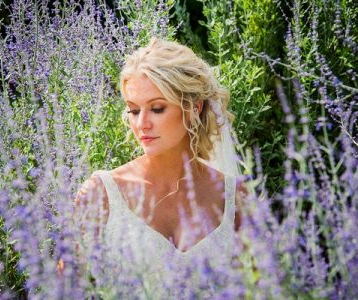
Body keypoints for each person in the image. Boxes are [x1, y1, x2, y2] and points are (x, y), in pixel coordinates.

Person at [74, 37, 246, 298]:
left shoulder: (235, 198)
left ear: (193, 108)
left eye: (157, 108)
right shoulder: (101, 195)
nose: (142, 123)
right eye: (133, 110)